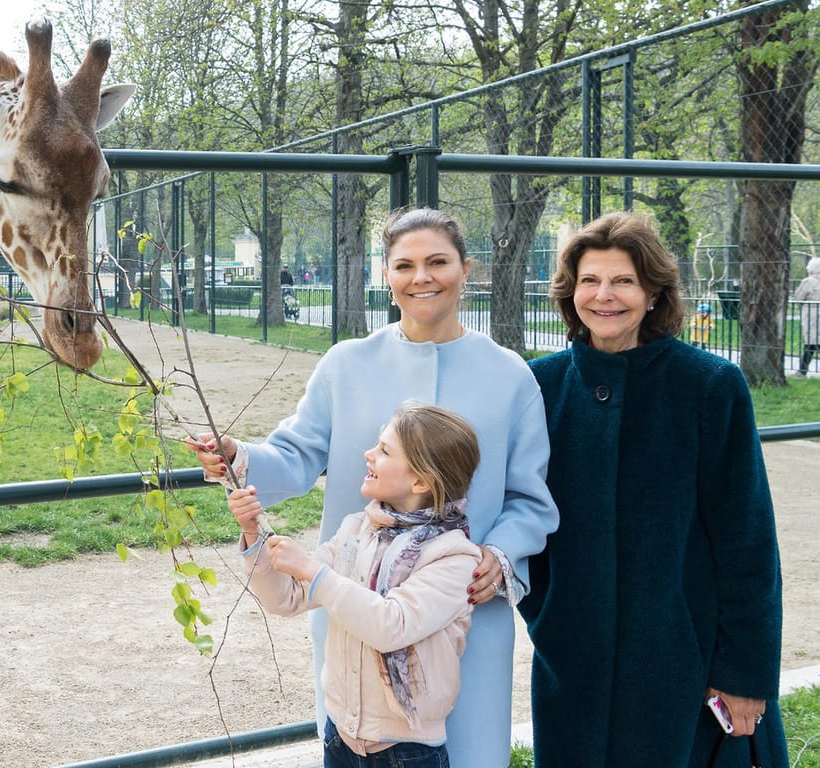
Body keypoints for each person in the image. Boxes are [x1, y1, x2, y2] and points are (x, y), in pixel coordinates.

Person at [190, 207, 558, 768]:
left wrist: (499, 555)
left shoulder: (512, 375)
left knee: (471, 753)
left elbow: (531, 499)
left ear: (466, 268)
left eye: (438, 261)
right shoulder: (345, 365)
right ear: (386, 275)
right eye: (404, 265)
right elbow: (294, 457)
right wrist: (239, 457)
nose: (422, 277)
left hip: (460, 607)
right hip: (355, 608)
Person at [522, 211, 787, 767]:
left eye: (623, 281)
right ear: (570, 293)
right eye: (590, 281)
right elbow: (522, 509)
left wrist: (743, 672)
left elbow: (748, 542)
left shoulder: (710, 387)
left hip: (683, 659)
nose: (604, 296)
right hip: (572, 658)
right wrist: (548, 613)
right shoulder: (540, 386)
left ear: (652, 292)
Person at [228, 404, 482, 768]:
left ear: (421, 481)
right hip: (340, 737)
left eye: (384, 450)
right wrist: (253, 533)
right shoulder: (356, 530)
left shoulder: (453, 557)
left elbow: (391, 625)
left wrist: (316, 574)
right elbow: (286, 598)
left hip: (407, 752)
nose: (368, 454)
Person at [795, 257, 820, 375]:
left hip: (812, 314)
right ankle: (802, 369)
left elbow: (799, 297)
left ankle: (802, 370)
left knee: (811, 342)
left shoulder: (808, 282)